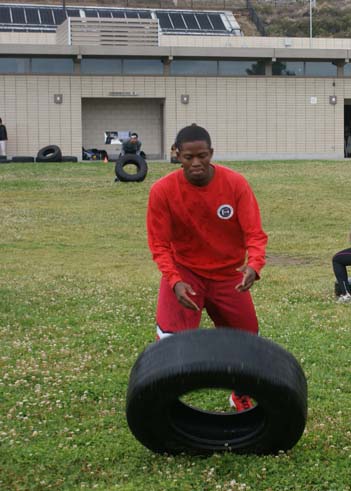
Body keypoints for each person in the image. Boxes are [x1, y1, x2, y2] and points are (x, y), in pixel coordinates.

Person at [146, 124, 268, 411]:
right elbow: (159, 245)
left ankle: (240, 393)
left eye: (202, 155)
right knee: (171, 343)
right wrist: (174, 280)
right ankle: (163, 403)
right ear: (176, 155)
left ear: (211, 153)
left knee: (247, 341)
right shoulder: (162, 191)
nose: (196, 163)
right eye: (189, 157)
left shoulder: (236, 184)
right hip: (185, 272)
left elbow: (255, 234)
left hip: (229, 275)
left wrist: (254, 265)